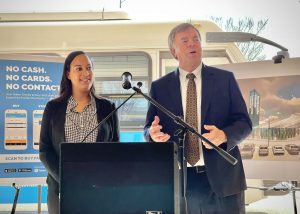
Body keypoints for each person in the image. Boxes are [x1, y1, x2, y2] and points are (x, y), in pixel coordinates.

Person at [144, 23, 252, 213]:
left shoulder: (224, 79)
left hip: (224, 181)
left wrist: (225, 136)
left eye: (196, 40)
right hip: (181, 182)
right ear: (173, 51)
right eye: (185, 41)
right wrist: (152, 135)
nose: (192, 44)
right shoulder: (159, 87)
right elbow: (148, 129)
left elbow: (245, 123)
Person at [39, 51, 120, 214]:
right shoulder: (53, 108)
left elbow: (115, 150)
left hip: (100, 190)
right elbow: (44, 150)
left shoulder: (108, 107)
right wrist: (66, 180)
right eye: (79, 68)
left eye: (89, 68)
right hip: (61, 189)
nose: (86, 73)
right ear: (68, 74)